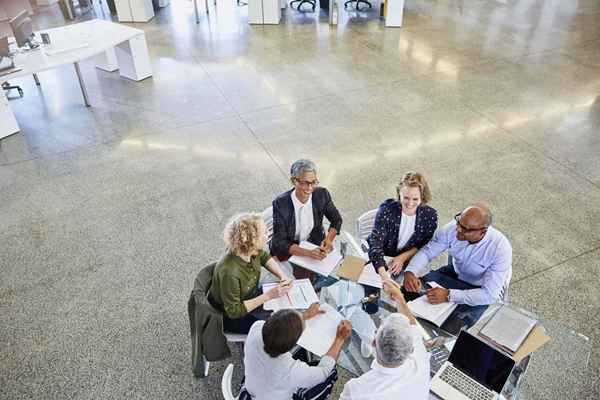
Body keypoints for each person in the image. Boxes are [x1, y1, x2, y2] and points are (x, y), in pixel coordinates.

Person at [403, 202, 512, 329]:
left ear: (482, 232)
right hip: (454, 273)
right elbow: (428, 252)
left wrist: (449, 295)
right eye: (459, 223)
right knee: (405, 293)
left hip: (479, 288)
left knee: (451, 327)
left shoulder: (500, 249)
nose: (458, 230)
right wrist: (410, 272)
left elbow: (489, 295)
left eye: (465, 229)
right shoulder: (453, 228)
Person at [340, 280, 430, 400]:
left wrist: (339, 339)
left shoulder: (356, 389)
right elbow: (413, 326)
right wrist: (399, 296)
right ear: (411, 349)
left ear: (373, 343)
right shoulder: (420, 363)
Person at [243, 305, 352, 400]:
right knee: (331, 373)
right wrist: (339, 339)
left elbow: (279, 325)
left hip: (253, 387)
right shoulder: (291, 371)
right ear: (291, 345)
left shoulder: (256, 328)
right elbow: (323, 372)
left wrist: (303, 316)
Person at [208, 213, 292, 334]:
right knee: (276, 329)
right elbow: (234, 311)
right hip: (227, 316)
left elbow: (264, 257)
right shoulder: (230, 273)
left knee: (283, 312)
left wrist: (282, 276)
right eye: (264, 232)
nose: (268, 234)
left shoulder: (250, 250)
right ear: (250, 240)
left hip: (248, 295)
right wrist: (269, 295)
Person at [270, 159, 343, 281]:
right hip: (289, 248)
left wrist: (329, 239)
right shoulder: (280, 204)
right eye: (305, 183)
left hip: (313, 243)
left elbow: (336, 219)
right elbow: (280, 243)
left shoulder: (322, 194)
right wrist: (308, 253)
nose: (310, 188)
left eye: (314, 182)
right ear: (294, 181)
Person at [368, 171, 438, 282]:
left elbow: (424, 244)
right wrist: (384, 277)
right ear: (399, 194)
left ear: (423, 197)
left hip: (407, 259)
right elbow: (375, 243)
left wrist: (402, 257)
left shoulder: (430, 216)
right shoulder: (386, 210)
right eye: (406, 198)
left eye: (415, 199)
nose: (410, 204)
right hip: (381, 256)